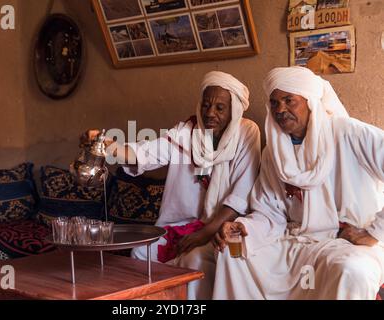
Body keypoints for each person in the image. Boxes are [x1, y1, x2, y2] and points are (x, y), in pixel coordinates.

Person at [213, 66, 384, 300]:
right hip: (296, 241)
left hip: (348, 244)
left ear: (311, 102)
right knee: (232, 251)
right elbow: (270, 212)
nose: (280, 109)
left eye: (289, 100)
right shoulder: (273, 153)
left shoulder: (349, 133)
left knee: (351, 271)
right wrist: (245, 228)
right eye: (274, 103)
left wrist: (375, 232)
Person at [86, 71, 261, 299]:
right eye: (206, 105)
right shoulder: (187, 131)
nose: (210, 113)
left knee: (195, 258)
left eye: (220, 108)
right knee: (141, 251)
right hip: (180, 225)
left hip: (220, 227)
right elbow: (147, 154)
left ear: (235, 110)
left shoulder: (247, 132)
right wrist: (106, 144)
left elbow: (241, 193)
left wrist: (205, 232)